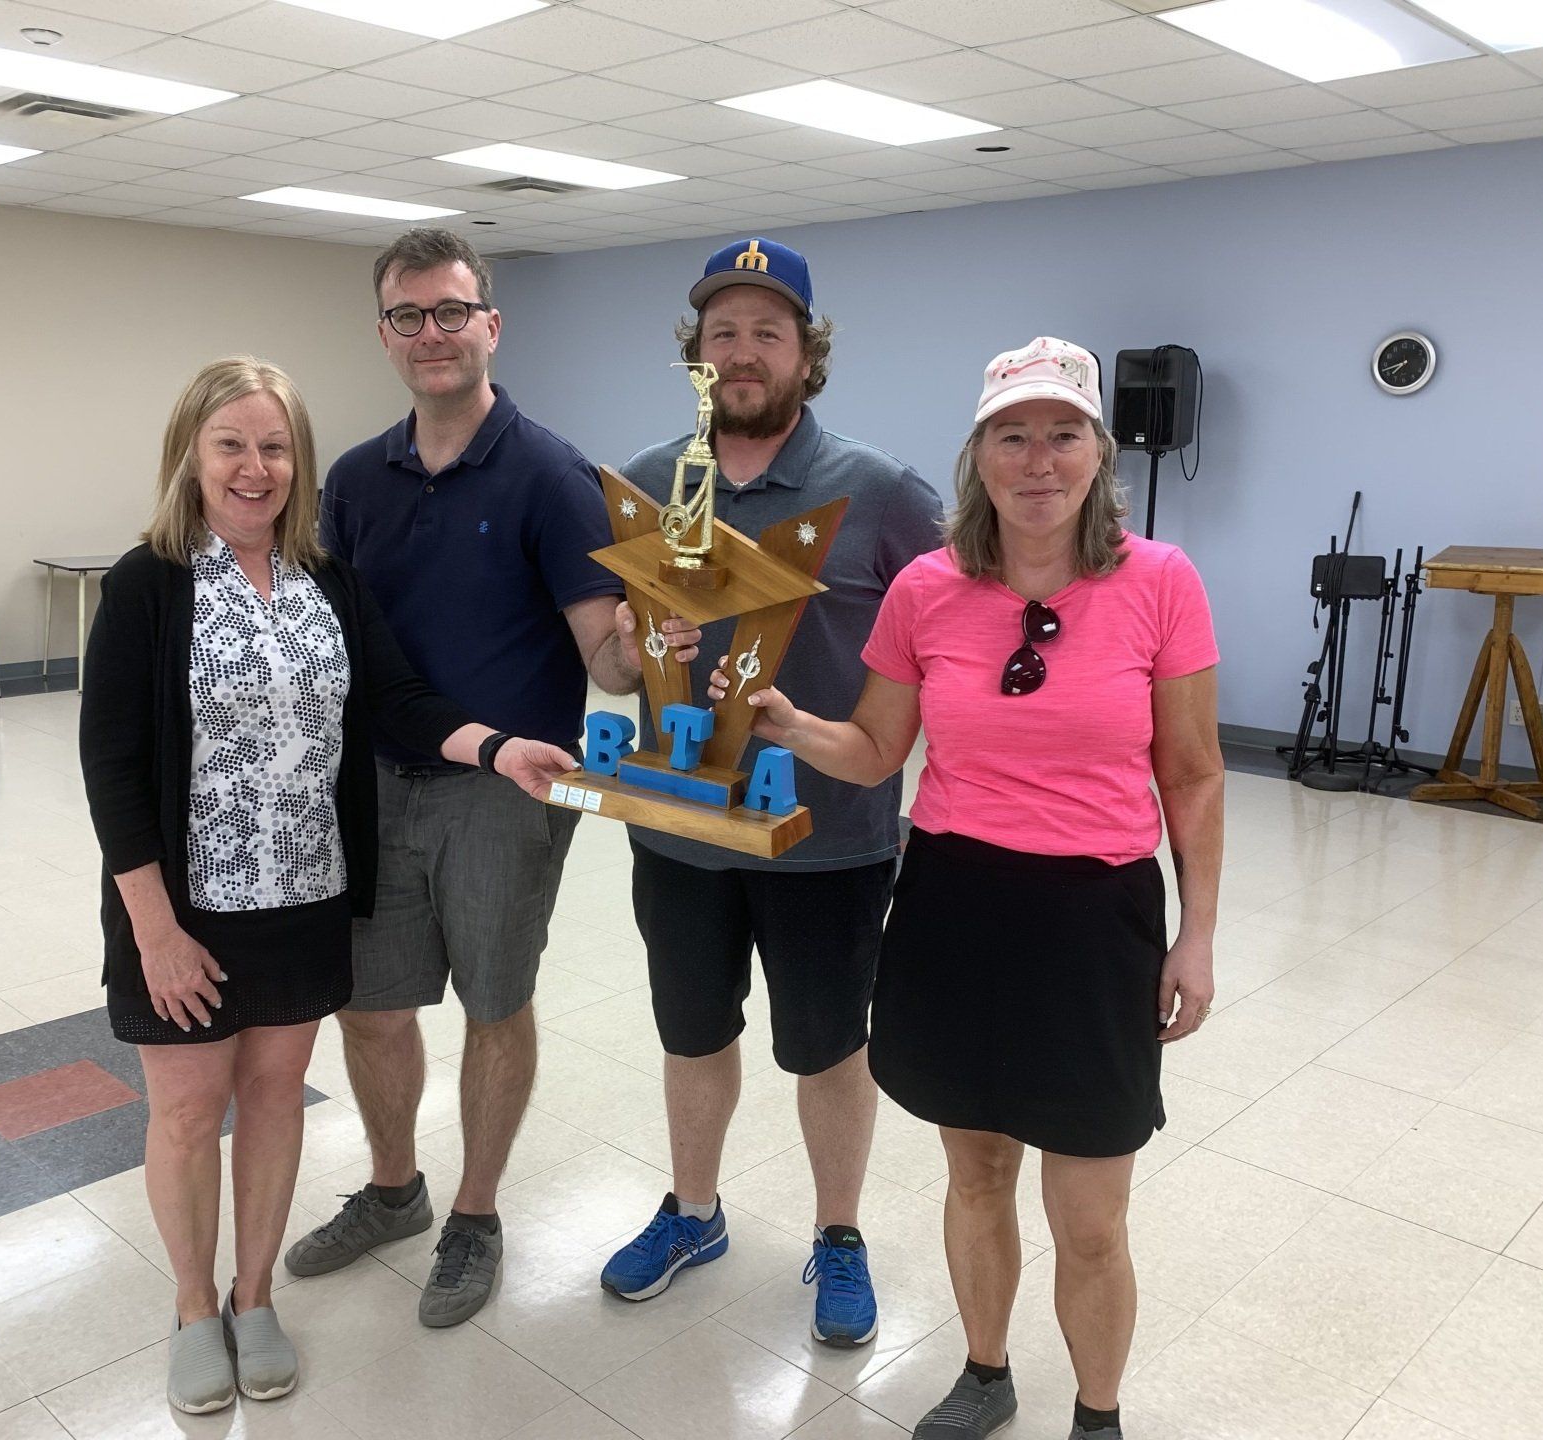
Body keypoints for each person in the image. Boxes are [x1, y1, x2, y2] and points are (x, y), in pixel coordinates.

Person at [708, 337, 1222, 1440]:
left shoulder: (1161, 582)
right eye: (1012, 436)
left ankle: (1097, 1416)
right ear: (978, 454)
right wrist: (790, 726)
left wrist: (1197, 936)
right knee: (978, 1169)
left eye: (1063, 434)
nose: (1038, 460)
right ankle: (985, 1373)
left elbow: (1192, 773)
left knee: (1091, 1216)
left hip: (1097, 917)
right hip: (955, 905)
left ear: (1099, 451)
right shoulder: (927, 589)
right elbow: (876, 752)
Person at [80, 356, 574, 1416]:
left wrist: (497, 749)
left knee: (272, 1102)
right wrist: (154, 931)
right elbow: (112, 769)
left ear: (298, 463)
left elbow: (399, 699)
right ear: (190, 455)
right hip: (185, 908)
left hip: (304, 895)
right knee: (187, 1114)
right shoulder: (147, 584)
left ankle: (253, 1296)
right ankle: (192, 1308)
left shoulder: (328, 583)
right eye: (231, 444)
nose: (254, 467)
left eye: (274, 447)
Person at [284, 227, 676, 1326]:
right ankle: (394, 1189)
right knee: (370, 1006)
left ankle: (475, 1213)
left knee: (495, 1004)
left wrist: (644, 643)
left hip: (508, 791)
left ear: (490, 326)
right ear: (385, 335)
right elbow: (329, 640)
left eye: (452, 312)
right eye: (409, 315)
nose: (433, 334)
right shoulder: (354, 480)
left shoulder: (553, 476)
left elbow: (606, 663)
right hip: (374, 785)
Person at [599, 237, 944, 1349]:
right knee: (692, 1034)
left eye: (767, 333)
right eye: (722, 334)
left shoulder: (881, 493)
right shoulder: (649, 482)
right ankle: (693, 1212)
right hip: (682, 832)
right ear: (696, 354)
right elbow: (616, 662)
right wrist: (628, 645)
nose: (743, 353)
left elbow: (948, 639)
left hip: (829, 838)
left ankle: (838, 1234)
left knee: (829, 1049)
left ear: (806, 352)